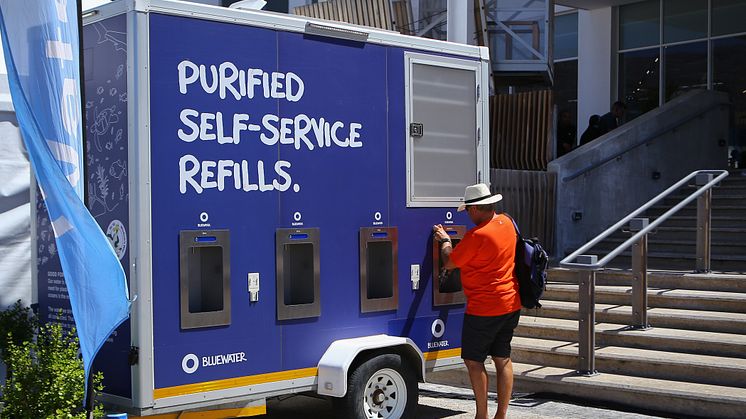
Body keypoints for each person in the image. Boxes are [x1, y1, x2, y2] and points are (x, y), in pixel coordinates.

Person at [433, 184, 522, 419]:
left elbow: (450, 262)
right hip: (510, 303)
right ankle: (500, 416)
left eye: (469, 211)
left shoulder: (478, 235)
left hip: (484, 308)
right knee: (503, 358)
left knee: (473, 361)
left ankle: (481, 415)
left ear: (475, 208)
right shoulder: (507, 222)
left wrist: (445, 241)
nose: (469, 216)